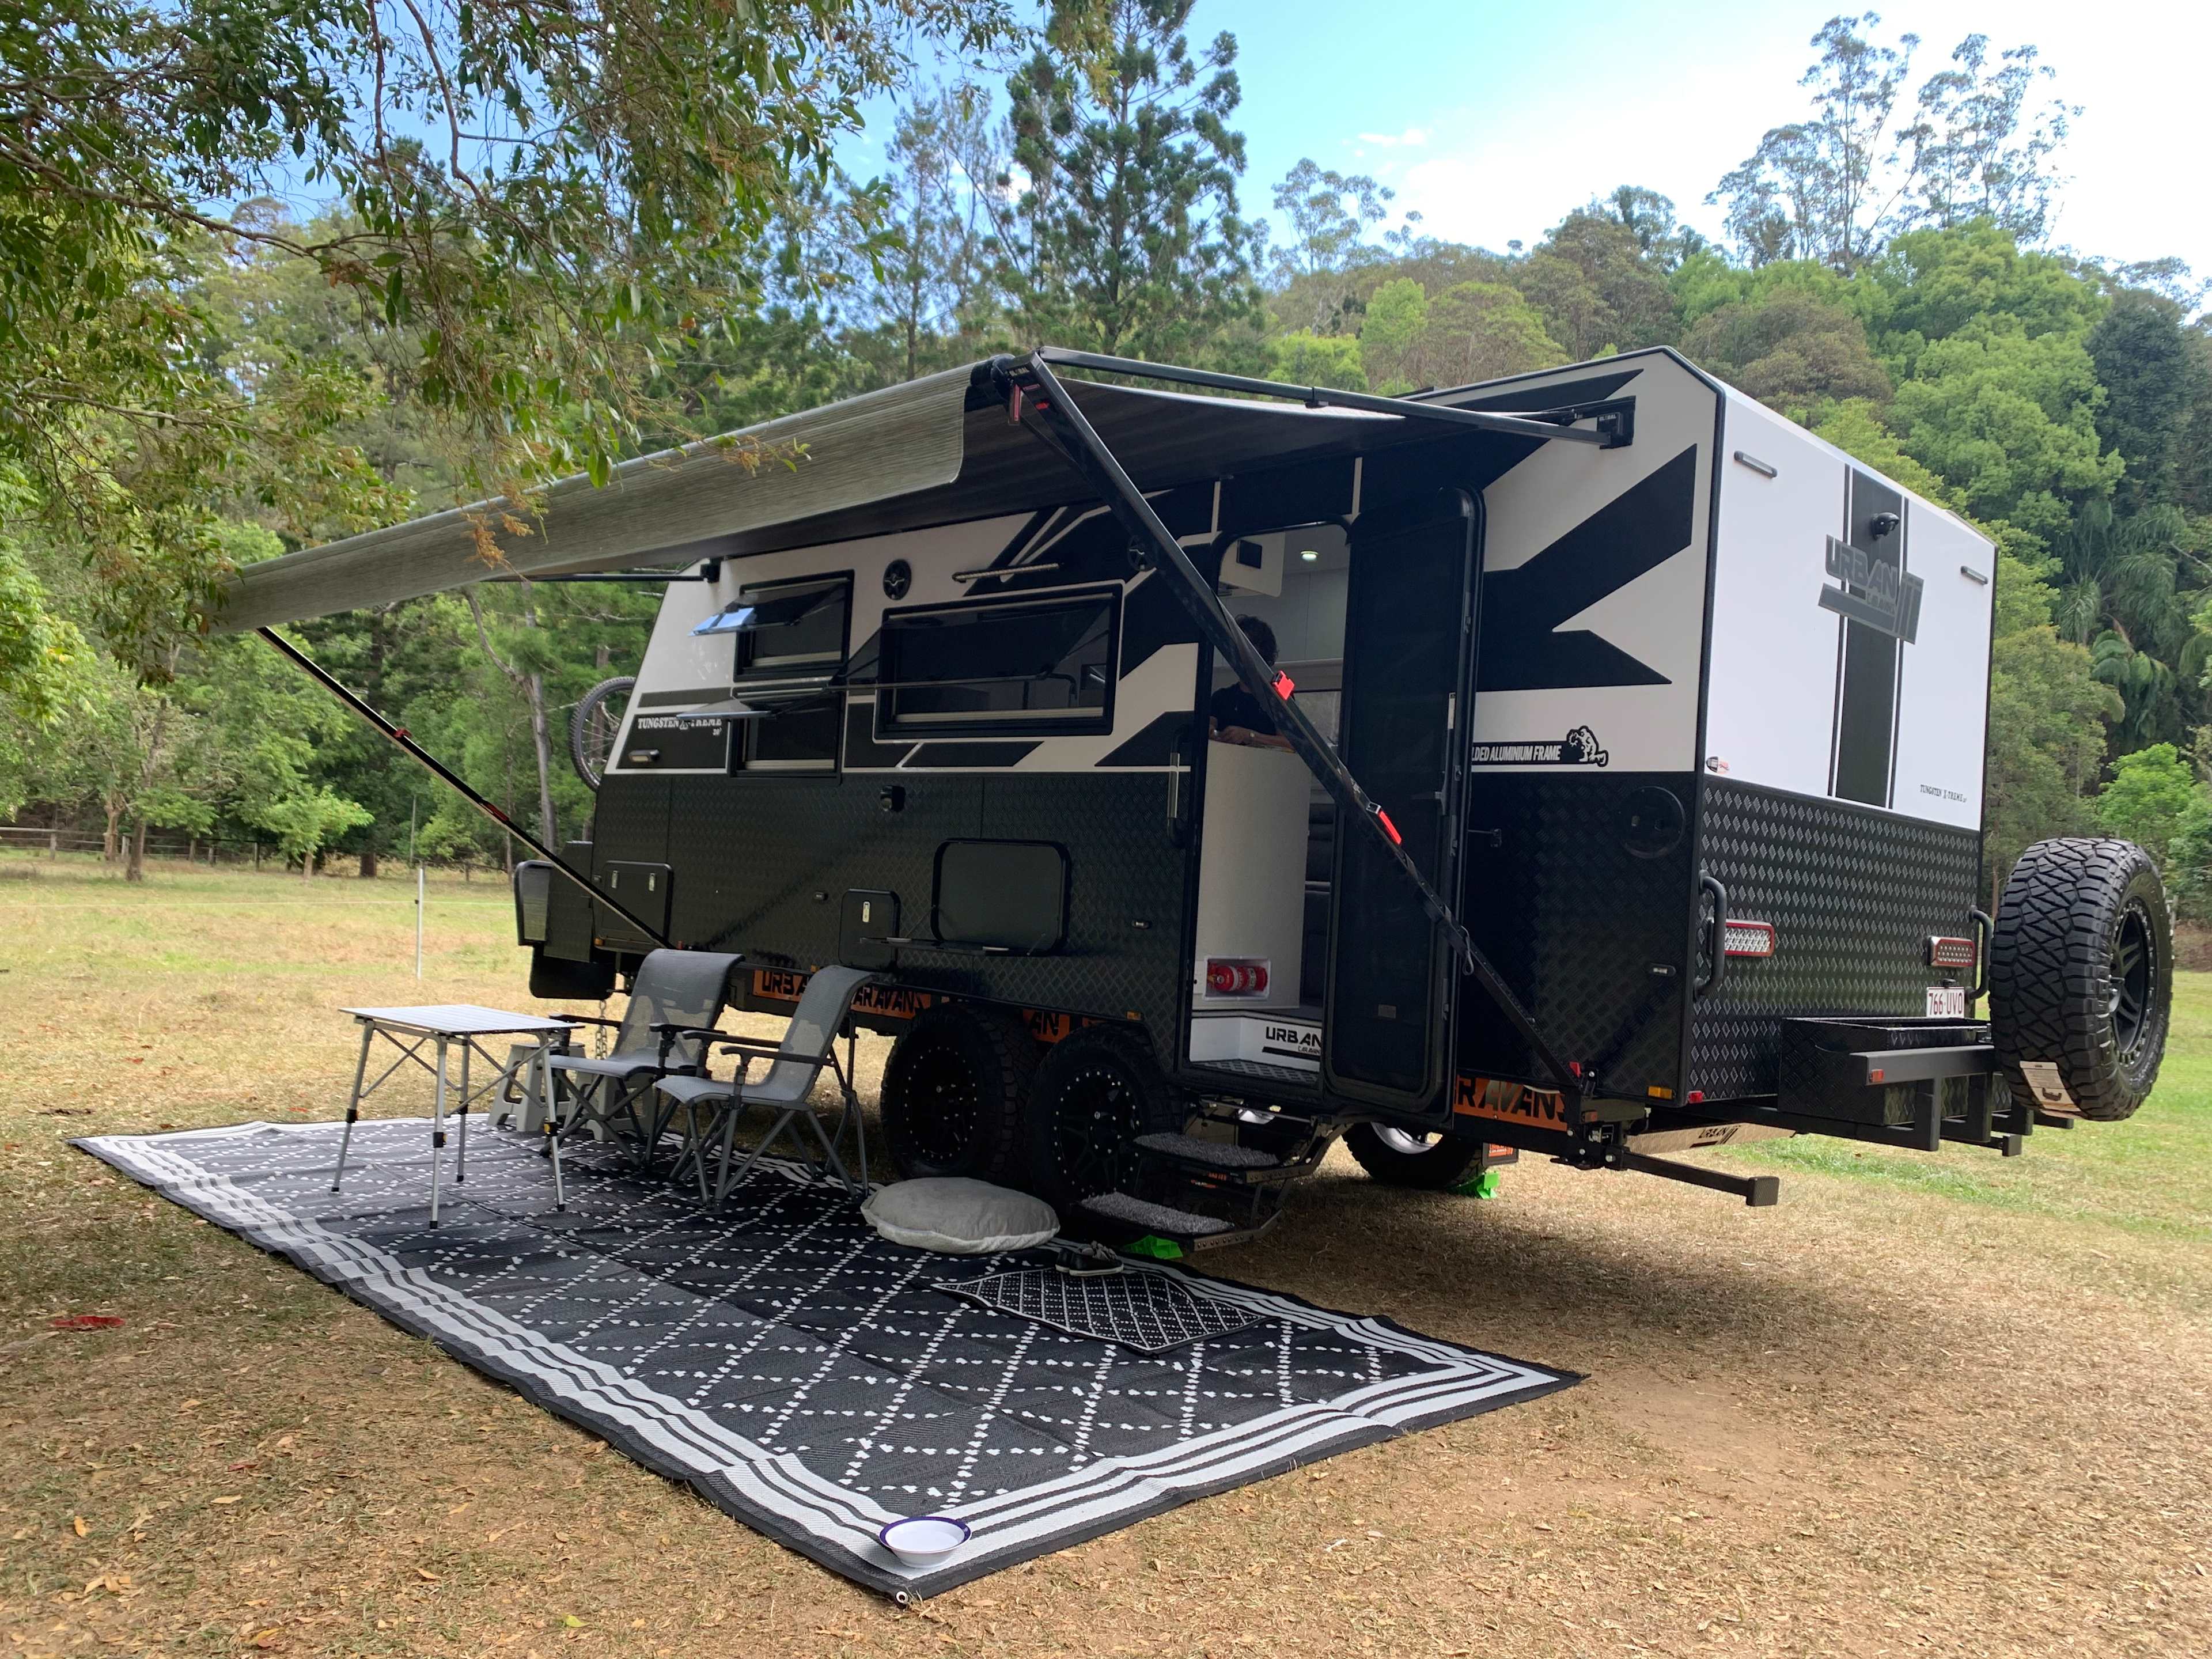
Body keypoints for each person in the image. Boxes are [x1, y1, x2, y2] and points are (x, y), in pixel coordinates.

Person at [1209, 614, 1293, 750]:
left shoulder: (1278, 696)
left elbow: (1291, 744)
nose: (1241, 654)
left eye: (1247, 648)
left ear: (1262, 652)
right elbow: (1209, 726)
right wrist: (1211, 732)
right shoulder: (1221, 697)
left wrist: (1250, 736)